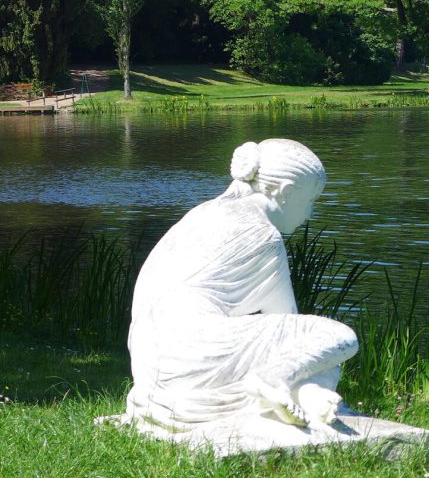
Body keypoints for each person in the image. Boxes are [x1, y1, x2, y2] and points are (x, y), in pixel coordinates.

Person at [123, 139, 358, 438]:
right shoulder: (265, 237)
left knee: (310, 362)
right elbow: (289, 322)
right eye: (310, 202)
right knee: (336, 339)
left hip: (149, 358)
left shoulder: (203, 213)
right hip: (191, 352)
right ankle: (273, 380)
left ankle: (306, 395)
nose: (309, 215)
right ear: (285, 192)